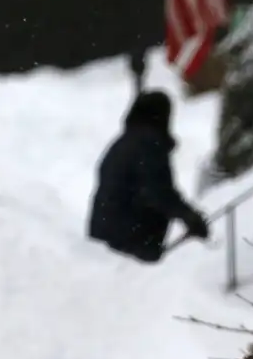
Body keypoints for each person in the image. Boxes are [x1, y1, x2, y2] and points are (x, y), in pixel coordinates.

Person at [87, 89, 208, 263]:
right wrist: (189, 216)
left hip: (103, 239)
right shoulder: (148, 146)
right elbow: (158, 192)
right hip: (129, 243)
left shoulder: (122, 143)